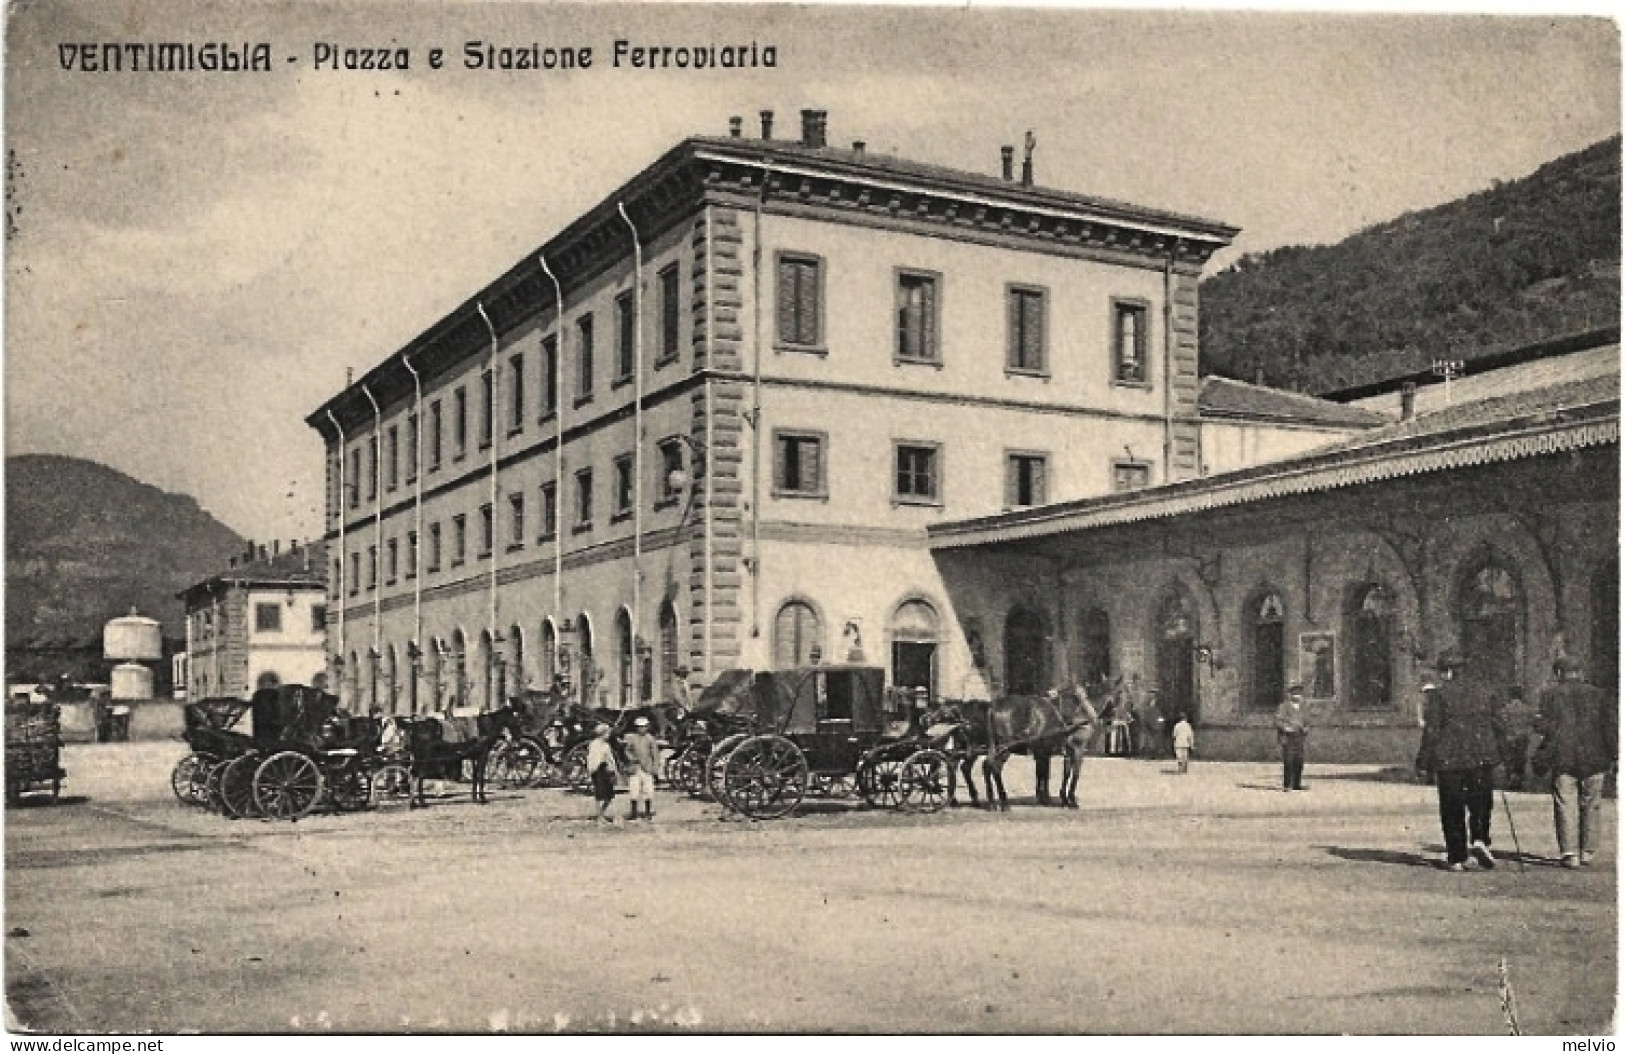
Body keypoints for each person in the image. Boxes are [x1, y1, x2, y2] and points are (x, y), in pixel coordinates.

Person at [1415, 650, 1507, 871]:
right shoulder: (1486, 692)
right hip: (1482, 756)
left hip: (1449, 758)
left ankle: (1457, 857)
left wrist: (1423, 761)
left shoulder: (1438, 696)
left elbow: (1432, 730)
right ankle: (1480, 839)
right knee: (1481, 802)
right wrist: (1501, 754)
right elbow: (1500, 725)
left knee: (1452, 806)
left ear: (1447, 672)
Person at [1533, 657, 1617, 869]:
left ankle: (1570, 853)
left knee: (1565, 803)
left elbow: (1545, 727)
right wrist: (1615, 754)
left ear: (1559, 673)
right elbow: (1610, 727)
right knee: (1592, 803)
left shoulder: (1550, 695)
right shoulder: (1599, 694)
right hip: (1595, 757)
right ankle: (1588, 850)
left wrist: (1537, 723)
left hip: (1564, 756)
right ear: (1580, 672)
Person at [622, 715, 661, 822]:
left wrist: (655, 768)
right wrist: (632, 758)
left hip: (647, 768)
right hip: (635, 768)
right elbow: (627, 751)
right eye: (639, 727)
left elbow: (655, 754)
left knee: (648, 790)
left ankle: (648, 812)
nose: (642, 729)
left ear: (647, 727)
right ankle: (633, 812)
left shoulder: (650, 739)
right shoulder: (632, 738)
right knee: (634, 790)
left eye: (644, 726)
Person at [1275, 684, 1310, 791]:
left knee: (1299, 761)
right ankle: (1287, 785)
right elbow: (1277, 721)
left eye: (1299, 694)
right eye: (1294, 694)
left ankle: (1296, 784)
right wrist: (1286, 728)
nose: (1297, 696)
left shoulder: (1303, 707)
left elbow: (1307, 721)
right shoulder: (1283, 706)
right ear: (1290, 695)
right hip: (1288, 737)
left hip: (1299, 737)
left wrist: (1306, 728)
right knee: (1289, 761)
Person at [586, 723, 619, 826]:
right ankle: (600, 817)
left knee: (608, 795)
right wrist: (593, 769)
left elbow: (610, 759)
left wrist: (614, 770)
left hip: (606, 769)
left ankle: (602, 813)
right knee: (600, 794)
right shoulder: (595, 744)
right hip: (599, 770)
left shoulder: (606, 745)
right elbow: (594, 759)